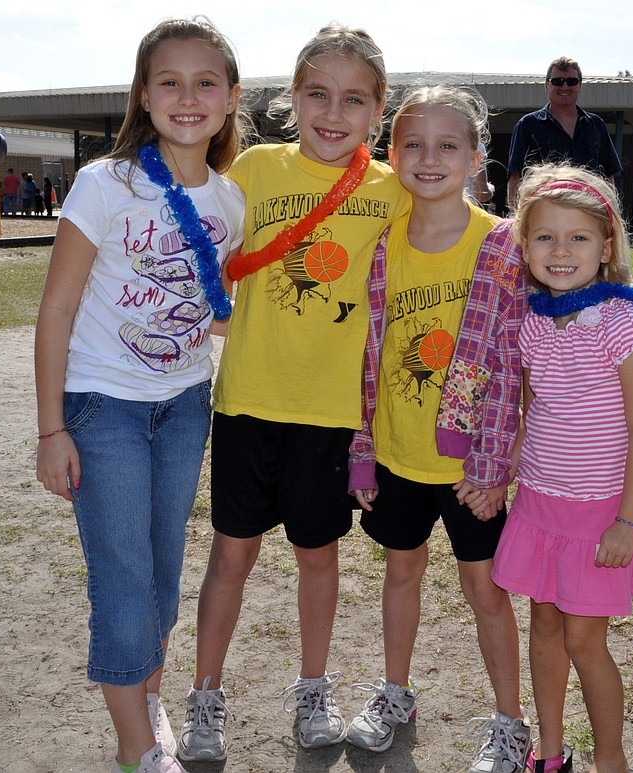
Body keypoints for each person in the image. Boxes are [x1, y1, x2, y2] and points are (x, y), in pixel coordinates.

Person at [179, 23, 409, 764]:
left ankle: (314, 688)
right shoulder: (254, 167)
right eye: (318, 94)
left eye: (352, 100)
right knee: (231, 558)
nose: (333, 113)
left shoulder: (391, 189)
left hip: (334, 413)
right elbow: (204, 259)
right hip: (248, 400)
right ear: (292, 97)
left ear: (378, 112)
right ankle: (204, 696)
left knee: (319, 557)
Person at [34, 17, 245, 773]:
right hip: (103, 409)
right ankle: (137, 753)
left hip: (186, 406)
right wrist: (51, 428)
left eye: (205, 82)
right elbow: (57, 308)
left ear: (230, 98)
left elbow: (210, 312)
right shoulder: (105, 182)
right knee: (123, 577)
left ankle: (148, 702)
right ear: (144, 95)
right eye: (169, 81)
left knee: (161, 570)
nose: (187, 96)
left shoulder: (230, 203)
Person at [346, 85, 529, 772]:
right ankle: (395, 695)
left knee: (485, 590)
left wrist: (501, 460)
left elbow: (520, 360)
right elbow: (366, 351)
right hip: (397, 448)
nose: (430, 158)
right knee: (401, 570)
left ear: (476, 156)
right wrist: (362, 449)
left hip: (473, 466)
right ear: (391, 155)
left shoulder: (504, 243)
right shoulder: (381, 240)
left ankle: (510, 722)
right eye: (413, 144)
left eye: (448, 145)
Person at [491, 163, 633, 773]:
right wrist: (508, 462)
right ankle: (551, 749)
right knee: (543, 625)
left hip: (599, 516)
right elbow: (534, 402)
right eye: (545, 237)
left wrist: (629, 523)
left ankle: (610, 759)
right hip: (541, 502)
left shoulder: (626, 323)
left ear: (607, 245)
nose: (560, 251)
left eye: (578, 237)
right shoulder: (534, 321)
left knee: (586, 642)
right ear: (524, 245)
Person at [506, 57, 621, 210]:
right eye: (557, 81)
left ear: (580, 86)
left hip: (590, 213)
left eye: (571, 81)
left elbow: (608, 177)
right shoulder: (527, 125)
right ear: (546, 85)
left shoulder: (596, 125)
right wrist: (516, 218)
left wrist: (611, 215)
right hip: (543, 214)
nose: (565, 86)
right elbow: (515, 177)